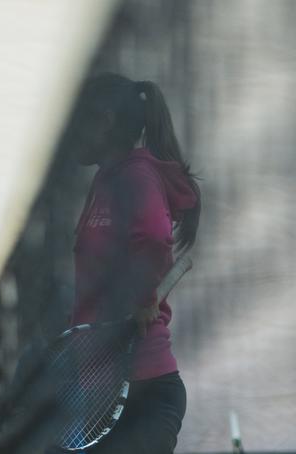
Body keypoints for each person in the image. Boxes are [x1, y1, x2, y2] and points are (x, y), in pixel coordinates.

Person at [69, 73, 200, 453]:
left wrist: (143, 297)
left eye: (80, 119)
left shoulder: (137, 176)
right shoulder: (106, 180)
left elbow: (157, 237)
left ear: (105, 120)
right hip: (105, 388)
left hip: (144, 388)